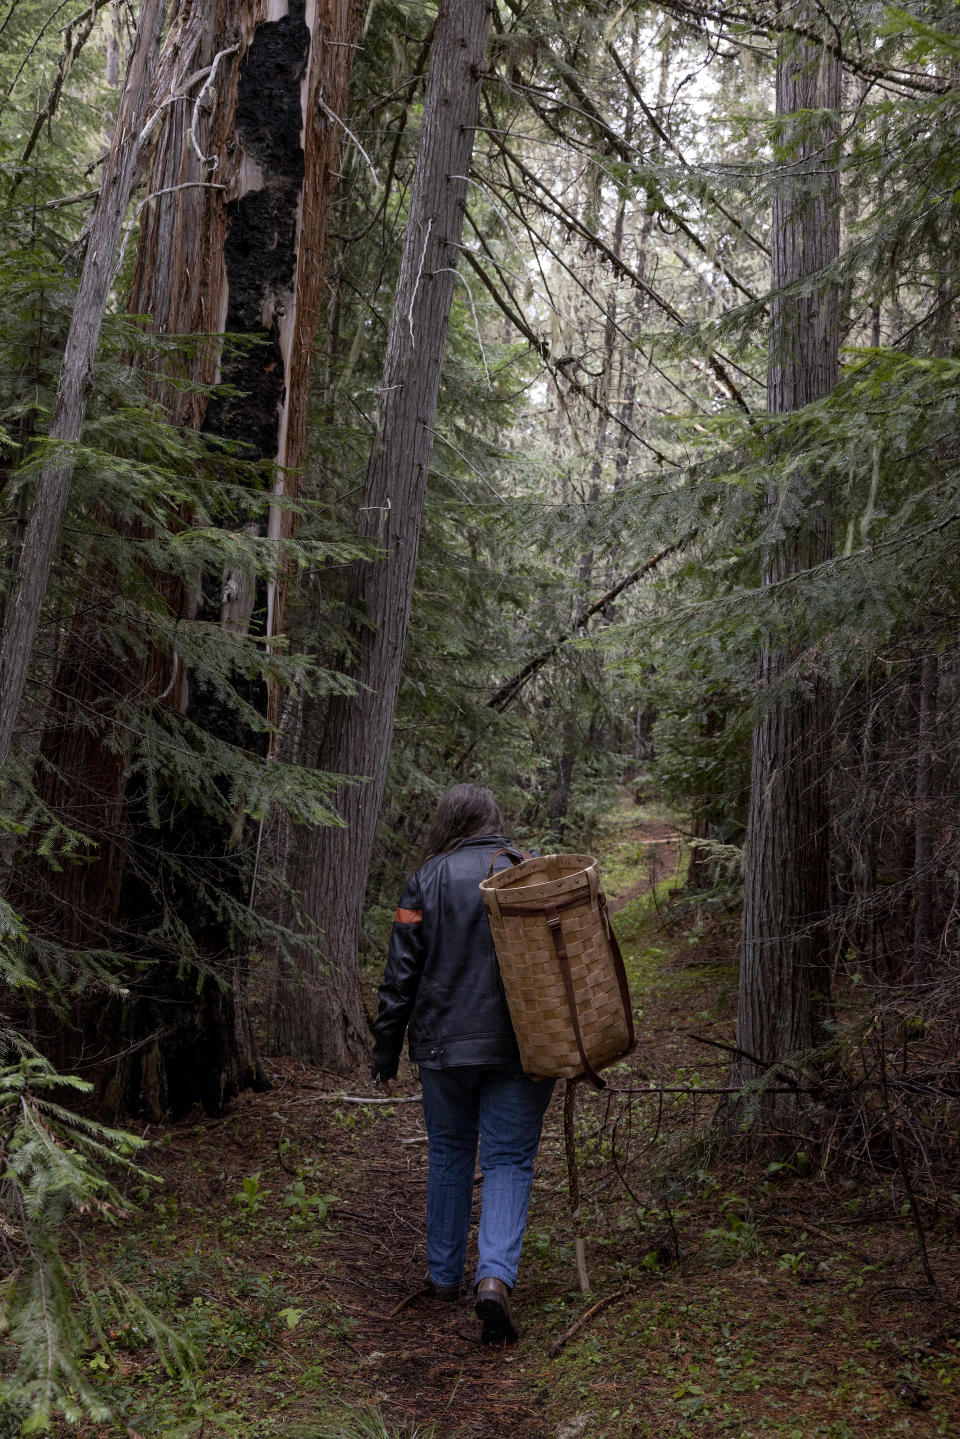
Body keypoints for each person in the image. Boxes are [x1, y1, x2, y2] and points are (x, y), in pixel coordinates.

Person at [371, 783, 554, 1345]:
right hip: (521, 1049)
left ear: (450, 822)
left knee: (450, 1152)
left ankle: (444, 1277)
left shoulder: (426, 880)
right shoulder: (528, 873)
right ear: (495, 821)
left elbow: (401, 978)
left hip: (443, 1051)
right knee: (508, 1160)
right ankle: (494, 1280)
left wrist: (386, 1051)